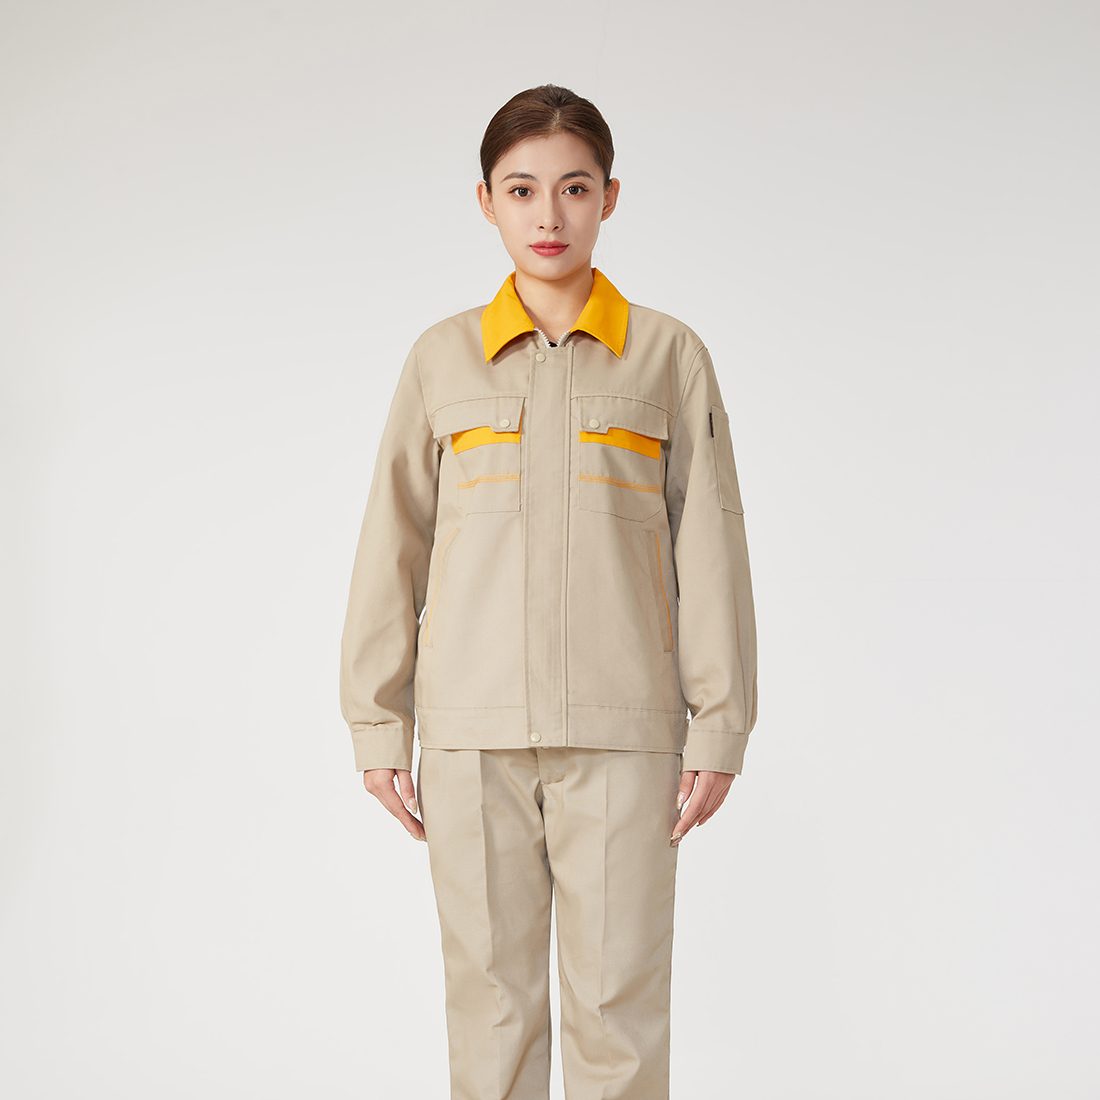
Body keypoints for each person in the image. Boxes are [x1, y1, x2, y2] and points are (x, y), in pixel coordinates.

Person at [339, 83, 758, 1100]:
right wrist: (377, 722)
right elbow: (393, 542)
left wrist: (719, 726)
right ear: (485, 201)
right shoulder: (441, 359)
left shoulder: (667, 355)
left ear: (608, 196)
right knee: (490, 1011)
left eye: (573, 187)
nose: (548, 214)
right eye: (521, 189)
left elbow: (709, 545)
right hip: (470, 735)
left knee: (618, 1013)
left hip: (623, 732)